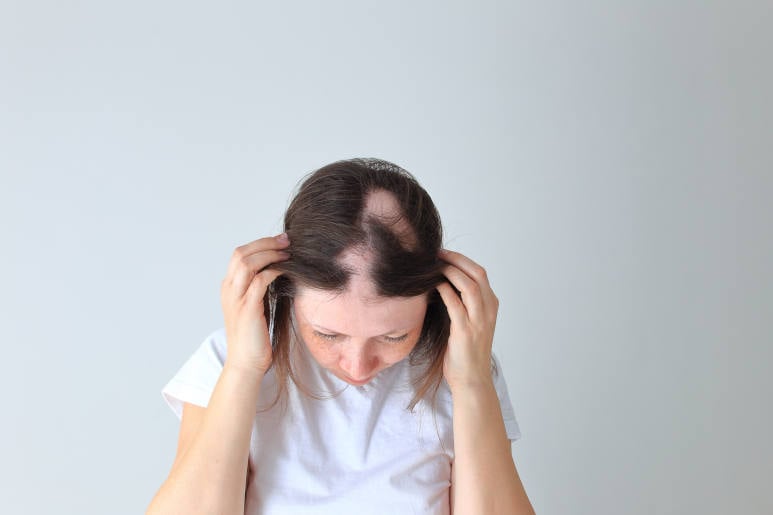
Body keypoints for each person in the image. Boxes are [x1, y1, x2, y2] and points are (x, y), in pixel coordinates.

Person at [146, 158, 536, 515]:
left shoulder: (462, 367)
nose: (358, 366)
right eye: (328, 335)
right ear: (287, 291)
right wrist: (244, 368)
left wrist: (472, 383)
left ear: (435, 300)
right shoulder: (226, 359)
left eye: (394, 336)